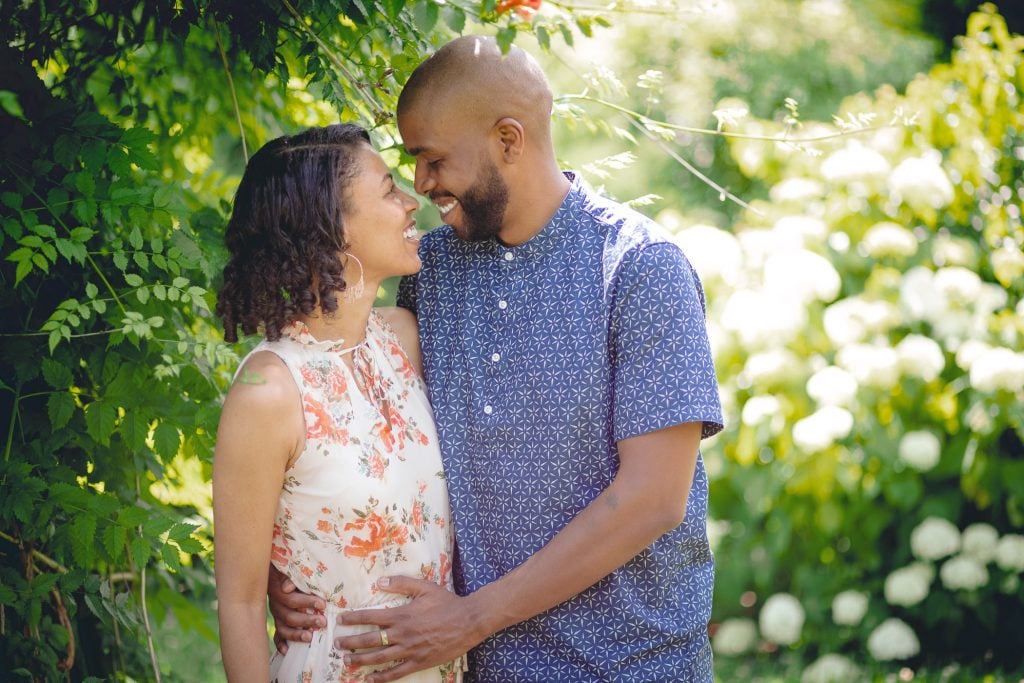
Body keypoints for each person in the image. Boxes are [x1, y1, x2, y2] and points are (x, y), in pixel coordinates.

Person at [271, 36, 724, 682]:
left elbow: (653, 498)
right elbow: (350, 433)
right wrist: (290, 562)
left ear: (508, 140)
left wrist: (471, 616)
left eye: (432, 159)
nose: (422, 186)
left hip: (634, 667)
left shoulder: (639, 268)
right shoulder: (431, 274)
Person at [213, 123, 466, 682]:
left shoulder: (403, 339)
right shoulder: (270, 391)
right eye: (388, 190)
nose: (410, 203)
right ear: (333, 229)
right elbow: (240, 602)